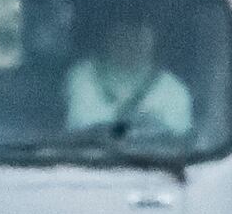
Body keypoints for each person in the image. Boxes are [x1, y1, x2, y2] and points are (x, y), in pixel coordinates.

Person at [63, 11, 195, 140]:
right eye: (123, 34)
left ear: (153, 39)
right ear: (109, 37)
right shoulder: (80, 78)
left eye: (138, 34)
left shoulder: (174, 91)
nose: (130, 42)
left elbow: (180, 148)